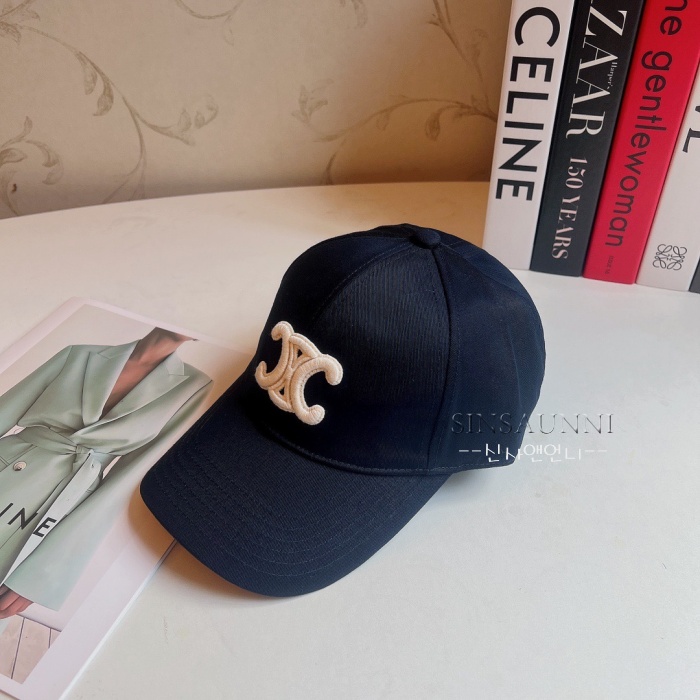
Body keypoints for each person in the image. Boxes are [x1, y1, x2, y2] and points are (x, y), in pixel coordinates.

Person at [0, 328, 212, 628]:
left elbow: (128, 481)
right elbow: (5, 410)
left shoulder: (192, 387)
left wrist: (40, 576)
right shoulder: (80, 353)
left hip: (63, 499)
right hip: (11, 462)